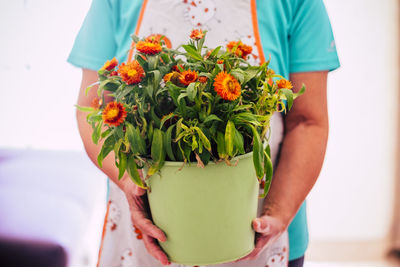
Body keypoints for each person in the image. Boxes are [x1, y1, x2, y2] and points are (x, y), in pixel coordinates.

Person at [69, 0, 340, 266]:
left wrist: (278, 211)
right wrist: (131, 183)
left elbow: (307, 121)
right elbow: (93, 109)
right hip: (143, 231)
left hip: (262, 224)